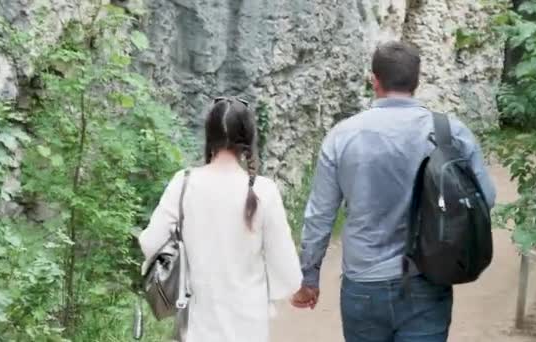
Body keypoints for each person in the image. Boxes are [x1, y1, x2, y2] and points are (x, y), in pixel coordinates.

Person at [291, 41, 497, 342]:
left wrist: (309, 278)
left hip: (363, 285)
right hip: (427, 278)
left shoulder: (342, 136)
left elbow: (320, 215)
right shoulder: (450, 131)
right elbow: (485, 199)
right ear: (417, 79)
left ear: (374, 80)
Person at [139, 97, 302, 342]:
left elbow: (150, 243)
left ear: (209, 134)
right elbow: (287, 272)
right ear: (248, 138)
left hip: (198, 326)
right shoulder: (264, 190)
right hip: (249, 328)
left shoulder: (183, 183)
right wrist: (294, 290)